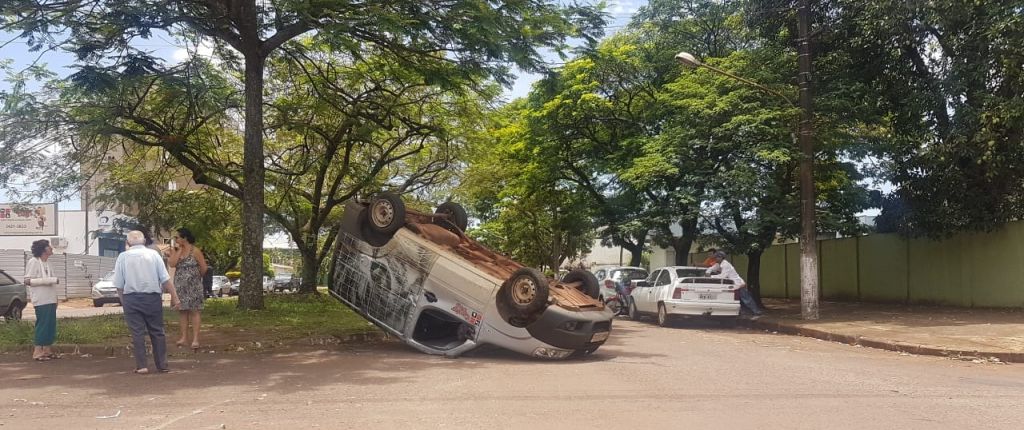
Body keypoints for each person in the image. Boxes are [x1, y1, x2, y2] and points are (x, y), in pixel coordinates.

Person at [114, 230, 180, 374]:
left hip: (131, 297)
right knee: (157, 331)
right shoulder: (154, 255)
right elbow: (165, 279)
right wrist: (175, 297)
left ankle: (142, 365)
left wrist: (124, 302)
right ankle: (162, 365)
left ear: (128, 243)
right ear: (144, 242)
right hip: (152, 297)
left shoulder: (122, 257)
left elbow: (119, 284)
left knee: (137, 333)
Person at [167, 227, 208, 350]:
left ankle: (195, 339)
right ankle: (184, 337)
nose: (176, 239)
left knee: (194, 311)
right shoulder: (175, 250)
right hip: (180, 285)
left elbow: (204, 267)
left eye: (177, 237)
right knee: (182, 311)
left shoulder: (195, 251)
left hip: (194, 286)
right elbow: (172, 264)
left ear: (184, 238)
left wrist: (196, 277)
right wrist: (178, 251)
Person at [24, 239, 59, 361]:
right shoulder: (33, 262)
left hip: (51, 298)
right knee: (43, 324)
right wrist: (47, 281)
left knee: (50, 325)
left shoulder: (48, 263)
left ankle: (47, 350)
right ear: (44, 249)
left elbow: (53, 281)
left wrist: (56, 298)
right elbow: (28, 280)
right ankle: (37, 351)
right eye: (49, 247)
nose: (51, 248)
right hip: (41, 299)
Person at [705, 251, 762, 317]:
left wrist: (711, 276)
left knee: (746, 299)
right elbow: (711, 268)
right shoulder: (719, 264)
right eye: (716, 257)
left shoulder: (726, 265)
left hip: (738, 284)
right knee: (738, 299)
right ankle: (744, 313)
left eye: (717, 257)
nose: (716, 259)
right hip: (732, 285)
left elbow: (723, 276)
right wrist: (708, 272)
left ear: (721, 258)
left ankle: (756, 311)